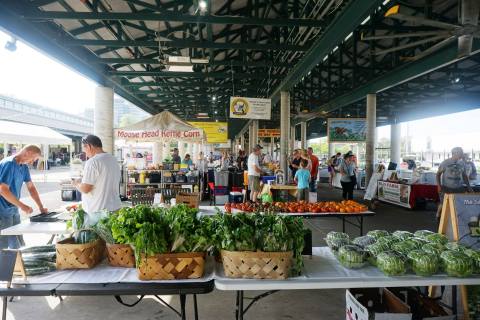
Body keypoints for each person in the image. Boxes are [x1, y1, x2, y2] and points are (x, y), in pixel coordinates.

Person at [0, 145, 48, 249]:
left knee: (19, 245)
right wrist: (23, 206)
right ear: (27, 153)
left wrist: (40, 207)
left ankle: (17, 264)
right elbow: (3, 190)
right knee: (3, 246)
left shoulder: (24, 167)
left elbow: (31, 188)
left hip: (13, 210)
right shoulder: (9, 164)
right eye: (33, 159)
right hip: (2, 211)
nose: (32, 162)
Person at [73, 135, 121, 215]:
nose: (85, 153)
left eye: (84, 149)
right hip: (115, 208)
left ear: (89, 146)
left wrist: (76, 184)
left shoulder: (92, 162)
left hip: (99, 212)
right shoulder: (113, 159)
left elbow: (86, 189)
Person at [436, 147, 472, 220]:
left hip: (458, 188)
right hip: (446, 187)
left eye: (462, 152)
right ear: (454, 153)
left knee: (459, 203)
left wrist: (469, 187)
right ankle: (438, 215)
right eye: (460, 153)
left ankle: (456, 218)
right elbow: (438, 174)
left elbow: (464, 176)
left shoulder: (462, 163)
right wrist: (439, 186)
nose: (462, 154)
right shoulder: (445, 163)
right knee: (443, 203)